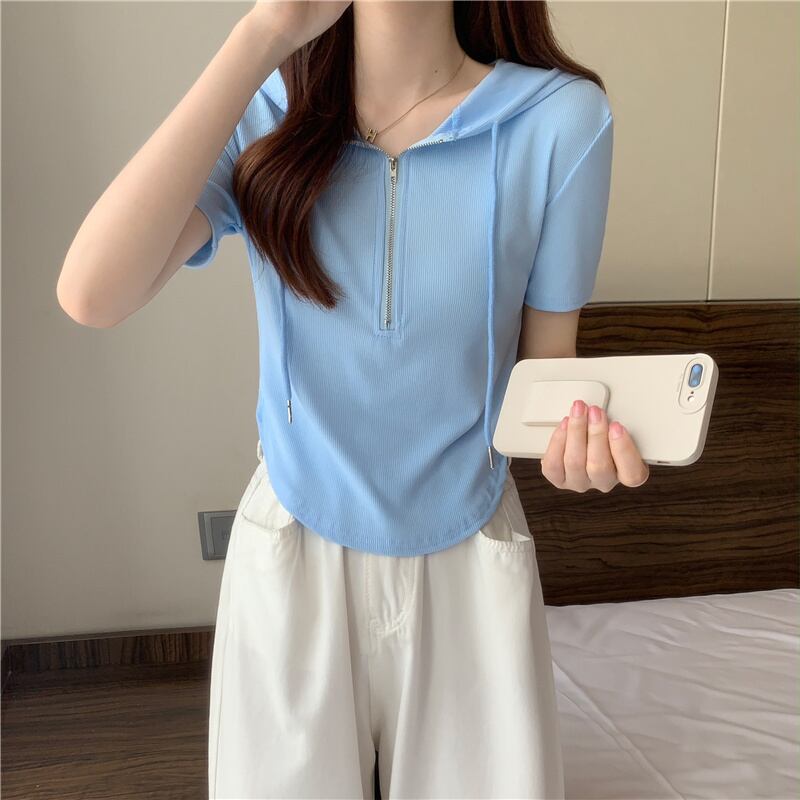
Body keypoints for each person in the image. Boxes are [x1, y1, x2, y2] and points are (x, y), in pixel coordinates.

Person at [58, 1, 650, 797]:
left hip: (470, 562)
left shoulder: (559, 121)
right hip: (292, 555)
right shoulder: (266, 113)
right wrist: (261, 36)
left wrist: (580, 452)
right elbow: (92, 293)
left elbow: (548, 382)